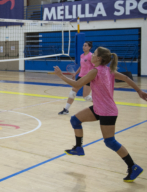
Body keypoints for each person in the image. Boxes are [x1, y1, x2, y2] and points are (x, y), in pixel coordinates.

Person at [54, 46, 147, 182]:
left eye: (94, 54)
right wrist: (139, 91)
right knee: (75, 120)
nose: (91, 56)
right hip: (99, 108)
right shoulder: (109, 70)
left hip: (107, 111)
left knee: (110, 141)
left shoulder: (95, 71)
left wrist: (60, 75)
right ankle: (79, 148)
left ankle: (133, 167)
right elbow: (127, 79)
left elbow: (77, 83)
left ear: (98, 58)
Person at [59, 42, 93, 115]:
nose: (83, 47)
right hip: (80, 76)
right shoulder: (82, 55)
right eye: (83, 45)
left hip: (88, 77)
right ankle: (66, 109)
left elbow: (95, 67)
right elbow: (81, 67)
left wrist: (93, 76)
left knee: (86, 97)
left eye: (85, 46)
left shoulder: (91, 56)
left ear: (89, 47)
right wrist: (75, 73)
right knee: (73, 92)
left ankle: (100, 104)